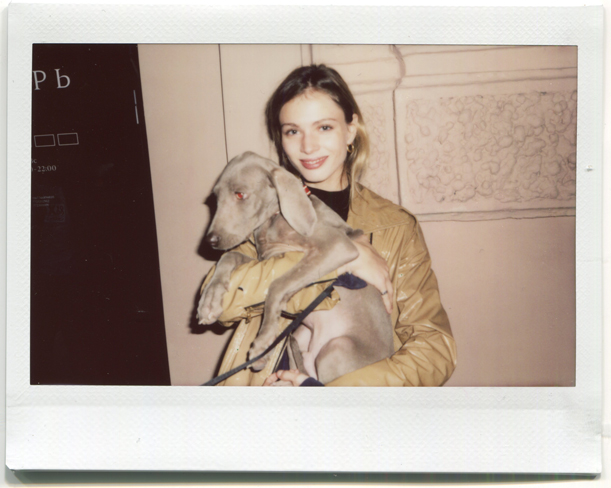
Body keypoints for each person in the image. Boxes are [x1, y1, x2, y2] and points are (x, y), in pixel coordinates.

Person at [201, 64, 456, 386]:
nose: (308, 146)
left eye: (324, 127)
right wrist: (343, 259)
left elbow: (435, 348)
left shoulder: (395, 226)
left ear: (350, 130)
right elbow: (223, 305)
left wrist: (332, 394)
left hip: (351, 386)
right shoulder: (262, 206)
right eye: (293, 131)